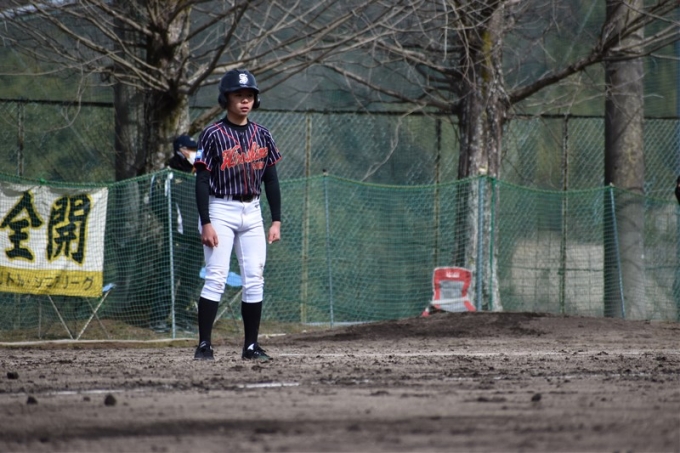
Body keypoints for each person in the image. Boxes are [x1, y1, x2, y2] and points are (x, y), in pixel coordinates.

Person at [192, 69, 282, 361]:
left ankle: (251, 346)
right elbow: (202, 180)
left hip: (252, 211)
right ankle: (204, 345)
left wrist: (276, 220)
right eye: (238, 95)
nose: (245, 101)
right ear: (226, 99)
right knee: (216, 276)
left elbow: (271, 179)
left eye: (249, 96)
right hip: (220, 208)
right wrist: (206, 222)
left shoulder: (263, 135)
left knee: (255, 277)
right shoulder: (212, 134)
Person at [149, 134, 203, 333]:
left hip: (198, 237)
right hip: (176, 237)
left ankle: (182, 318)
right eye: (190, 149)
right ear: (180, 150)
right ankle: (158, 319)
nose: (194, 153)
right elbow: (155, 200)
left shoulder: (200, 174)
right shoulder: (166, 175)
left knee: (191, 280)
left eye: (195, 149)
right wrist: (175, 220)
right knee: (168, 277)